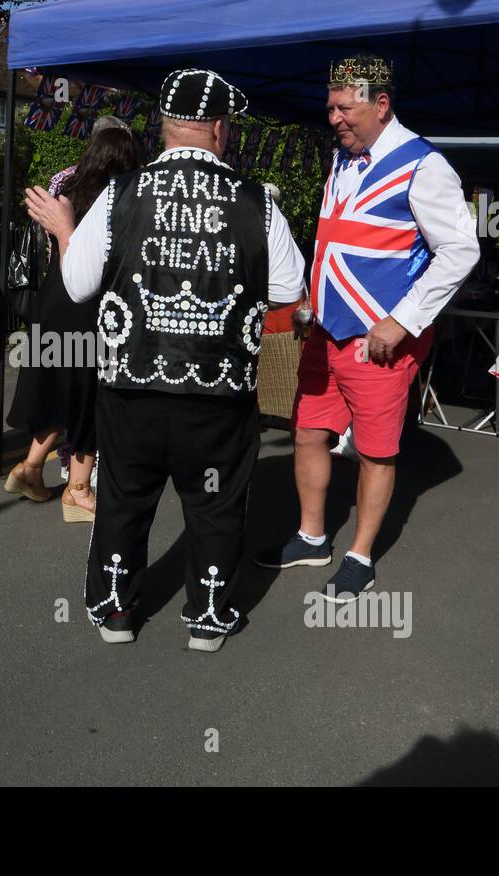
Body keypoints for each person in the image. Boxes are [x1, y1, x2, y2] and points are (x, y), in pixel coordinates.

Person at [26, 68, 306, 653]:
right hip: (220, 390)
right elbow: (287, 287)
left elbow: (78, 286)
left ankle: (116, 611)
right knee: (215, 503)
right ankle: (206, 616)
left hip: (132, 387)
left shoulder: (120, 195)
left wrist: (67, 232)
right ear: (221, 130)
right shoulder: (257, 201)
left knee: (127, 498)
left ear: (163, 127)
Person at [265, 53, 479, 602]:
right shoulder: (345, 157)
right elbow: (334, 241)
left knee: (376, 451)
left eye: (344, 108)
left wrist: (400, 322)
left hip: (377, 342)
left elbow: (459, 250)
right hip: (325, 331)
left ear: (380, 104)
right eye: (330, 107)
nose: (334, 118)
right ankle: (313, 536)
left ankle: (360, 556)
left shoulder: (424, 164)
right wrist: (311, 297)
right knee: (309, 432)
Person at [4, 125, 141, 522]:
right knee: (89, 396)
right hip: (87, 303)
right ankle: (78, 489)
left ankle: (30, 467)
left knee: (56, 385)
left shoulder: (65, 186)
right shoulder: (120, 200)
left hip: (53, 299)